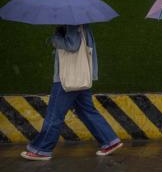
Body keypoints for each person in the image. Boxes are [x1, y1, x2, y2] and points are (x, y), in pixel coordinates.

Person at [20, 25, 123, 161]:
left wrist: (55, 38)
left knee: (54, 115)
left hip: (66, 80)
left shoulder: (71, 23)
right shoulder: (83, 24)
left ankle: (42, 149)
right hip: (80, 78)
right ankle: (109, 140)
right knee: (86, 110)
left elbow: (73, 45)